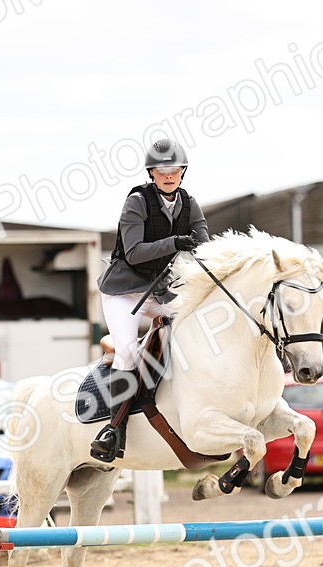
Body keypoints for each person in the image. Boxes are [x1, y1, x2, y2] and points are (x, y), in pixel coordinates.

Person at [90, 139, 210, 462]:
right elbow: (134, 251)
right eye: (162, 170)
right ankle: (114, 431)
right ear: (152, 173)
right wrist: (175, 242)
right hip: (124, 292)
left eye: (174, 170)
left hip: (160, 291)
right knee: (127, 352)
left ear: (182, 172)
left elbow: (205, 247)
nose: (168, 175)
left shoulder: (190, 204)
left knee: (201, 324)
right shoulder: (137, 202)